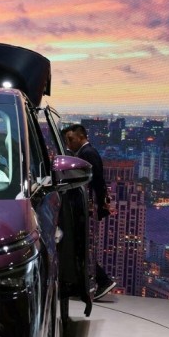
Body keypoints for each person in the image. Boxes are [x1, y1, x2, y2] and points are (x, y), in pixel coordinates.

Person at [62, 123, 116, 299]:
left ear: (81, 136)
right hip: (85, 207)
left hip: (83, 208)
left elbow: (97, 182)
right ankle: (81, 283)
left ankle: (103, 280)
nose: (68, 144)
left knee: (80, 247)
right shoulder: (86, 153)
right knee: (79, 247)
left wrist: (100, 205)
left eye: (71, 139)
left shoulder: (87, 154)